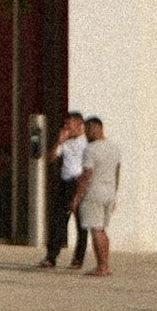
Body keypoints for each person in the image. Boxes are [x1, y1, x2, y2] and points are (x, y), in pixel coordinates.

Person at [74, 115, 122, 277]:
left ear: (96, 128)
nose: (86, 133)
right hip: (108, 192)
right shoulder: (114, 147)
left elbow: (87, 174)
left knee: (96, 230)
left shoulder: (91, 149)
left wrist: (76, 197)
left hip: (93, 193)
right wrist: (114, 193)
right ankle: (105, 264)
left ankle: (102, 267)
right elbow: (117, 171)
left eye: (88, 129)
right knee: (102, 229)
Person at [40, 109, 86, 267]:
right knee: (58, 219)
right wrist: (59, 141)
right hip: (65, 182)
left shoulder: (86, 143)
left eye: (69, 124)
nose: (66, 127)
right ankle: (51, 255)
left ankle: (78, 258)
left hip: (79, 182)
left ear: (80, 125)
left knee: (81, 223)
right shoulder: (65, 143)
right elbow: (51, 158)